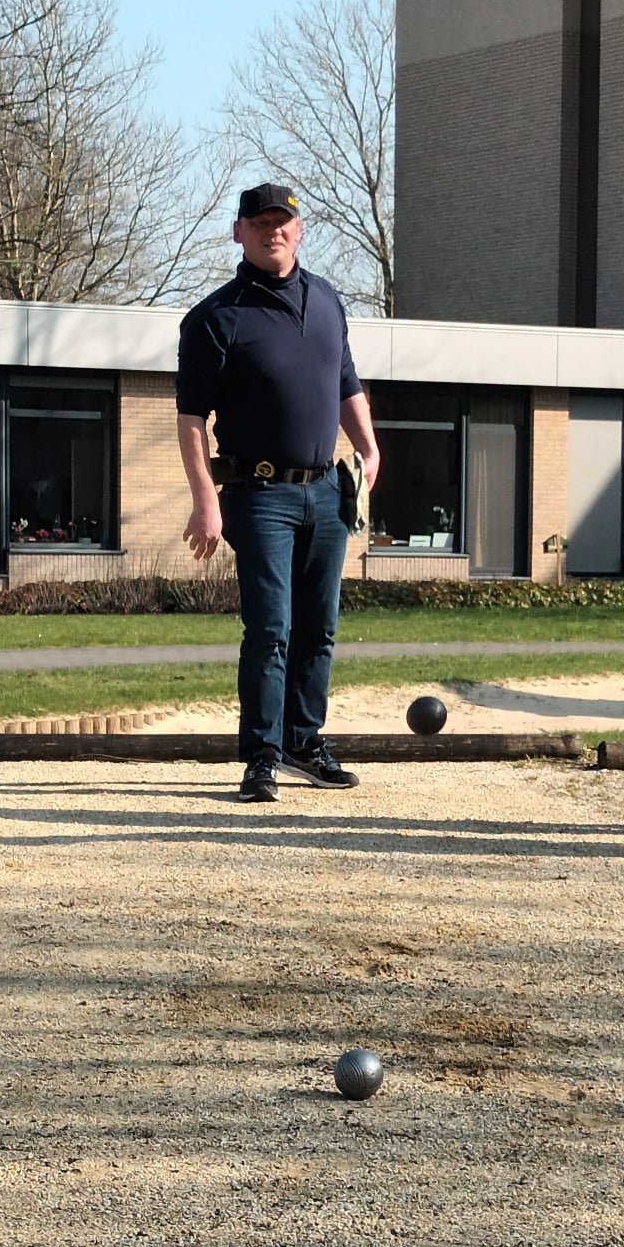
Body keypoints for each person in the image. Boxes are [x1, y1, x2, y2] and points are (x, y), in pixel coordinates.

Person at [176, 183, 380, 802]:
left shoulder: (326, 300)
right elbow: (190, 419)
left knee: (319, 627)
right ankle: (261, 753)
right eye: (260, 222)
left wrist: (370, 447)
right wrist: (205, 499)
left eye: (284, 221)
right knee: (271, 627)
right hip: (258, 495)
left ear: (300, 228)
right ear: (238, 232)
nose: (274, 231)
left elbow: (345, 380)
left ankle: (303, 740)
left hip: (326, 492)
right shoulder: (214, 317)